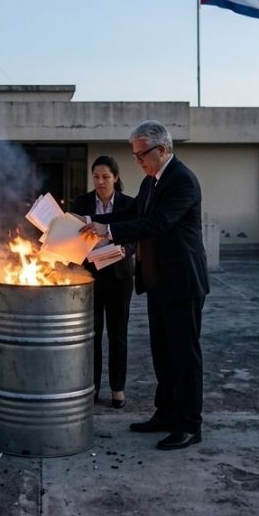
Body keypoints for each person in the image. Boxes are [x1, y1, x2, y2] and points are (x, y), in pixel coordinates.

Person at [80, 120, 209, 451]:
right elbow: (133, 212)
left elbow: (158, 222)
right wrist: (91, 223)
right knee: (162, 354)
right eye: (134, 154)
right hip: (158, 281)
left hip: (182, 281)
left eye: (141, 154)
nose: (136, 160)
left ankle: (189, 424)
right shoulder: (152, 182)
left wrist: (107, 233)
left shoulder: (182, 181)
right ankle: (165, 414)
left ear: (162, 150)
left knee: (184, 355)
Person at [71, 156, 136, 409]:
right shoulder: (82, 203)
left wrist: (125, 250)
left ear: (116, 178)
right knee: (92, 334)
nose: (100, 181)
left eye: (105, 177)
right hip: (90, 277)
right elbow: (72, 236)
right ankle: (93, 387)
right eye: (96, 177)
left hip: (119, 276)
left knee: (118, 334)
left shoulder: (127, 204)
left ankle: (118, 389)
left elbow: (135, 236)